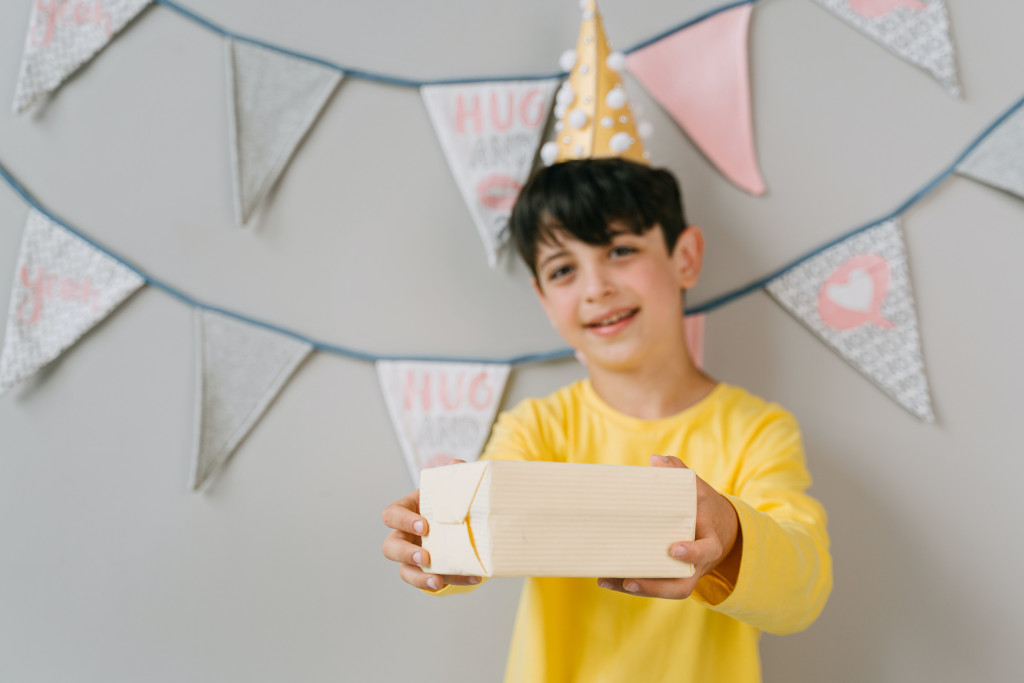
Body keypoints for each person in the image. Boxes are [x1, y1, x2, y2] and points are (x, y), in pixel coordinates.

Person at [381, 158, 832, 682]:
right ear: (544, 300)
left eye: (620, 251)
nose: (596, 287)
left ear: (685, 258)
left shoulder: (757, 430)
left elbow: (804, 593)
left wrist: (731, 534)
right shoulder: (535, 427)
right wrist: (442, 542)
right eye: (563, 269)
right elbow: (485, 535)